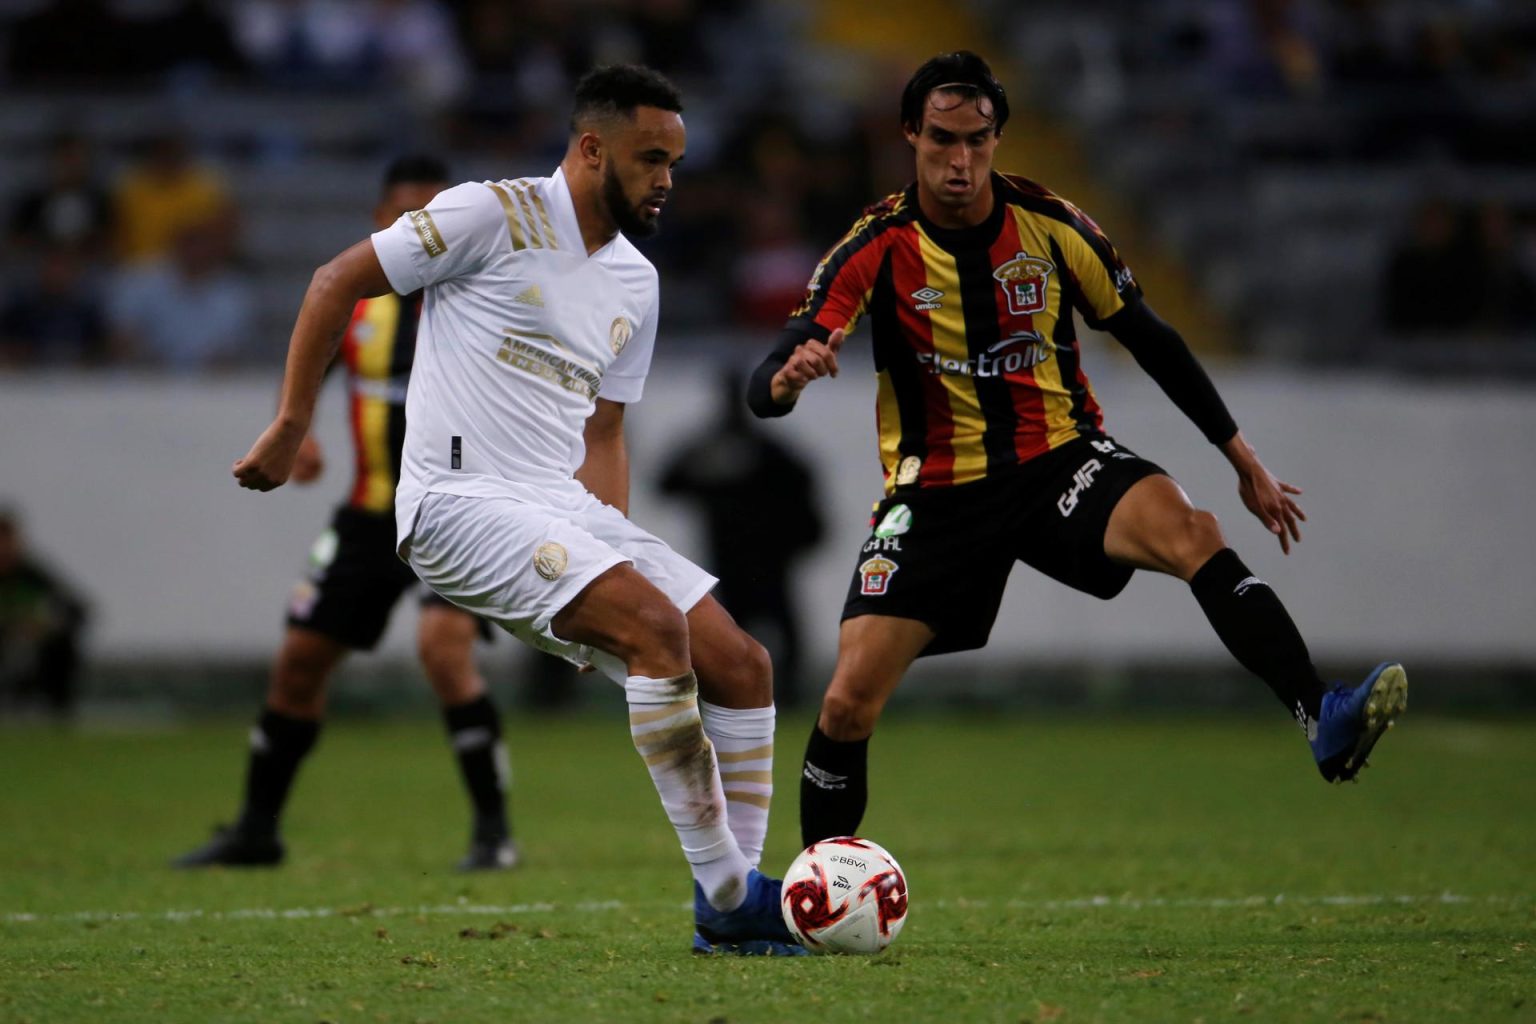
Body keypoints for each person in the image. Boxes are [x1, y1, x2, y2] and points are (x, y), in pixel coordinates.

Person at [746, 52, 1409, 848]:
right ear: (910, 136)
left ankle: (1321, 716)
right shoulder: (875, 246)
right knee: (848, 700)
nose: (961, 163)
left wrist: (1243, 457)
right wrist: (790, 379)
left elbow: (1152, 339)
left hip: (1060, 459)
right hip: (937, 494)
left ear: (998, 138)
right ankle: (819, 883)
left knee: (1193, 532)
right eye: (943, 142)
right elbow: (769, 379)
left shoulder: (1051, 226)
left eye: (978, 142)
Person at [228, 65, 802, 956]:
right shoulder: (490, 213)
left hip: (558, 506)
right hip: (454, 502)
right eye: (651, 159)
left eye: (675, 163)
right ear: (589, 148)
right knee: (661, 633)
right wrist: (289, 424)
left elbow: (605, 433)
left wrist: (602, 566)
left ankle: (730, 910)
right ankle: (734, 894)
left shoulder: (636, 283)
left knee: (745, 665)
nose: (667, 181)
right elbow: (334, 280)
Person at [175, 157, 519, 872]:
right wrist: (292, 430)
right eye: (406, 218)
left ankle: (494, 836)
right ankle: (256, 832)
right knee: (299, 663)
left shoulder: (480, 306)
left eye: (434, 218)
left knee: (443, 650)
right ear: (379, 223)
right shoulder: (361, 306)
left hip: (453, 516)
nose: (421, 233)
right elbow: (316, 351)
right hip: (368, 517)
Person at [660, 369, 824, 706]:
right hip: (733, 564)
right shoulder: (720, 451)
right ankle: (736, 698)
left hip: (765, 562)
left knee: (774, 633)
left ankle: (785, 696)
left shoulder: (764, 452)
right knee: (733, 638)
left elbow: (803, 485)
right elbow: (668, 482)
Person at [0, 506, 89, 720]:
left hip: (32, 647)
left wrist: (45, 626)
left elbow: (77, 609)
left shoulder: (32, 574)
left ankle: (58, 713)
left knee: (62, 646)